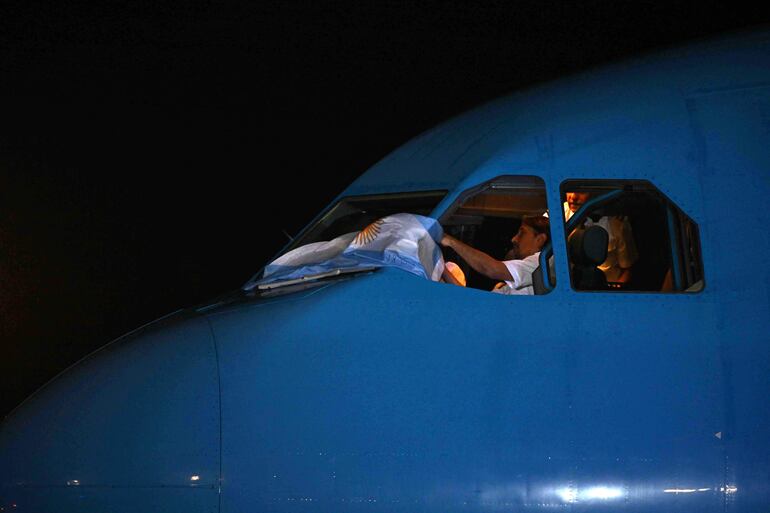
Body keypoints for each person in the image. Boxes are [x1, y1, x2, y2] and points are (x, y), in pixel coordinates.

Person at [440, 215, 550, 295]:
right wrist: (442, 268)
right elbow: (474, 301)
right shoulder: (511, 284)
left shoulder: (542, 263)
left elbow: (491, 269)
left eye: (522, 233)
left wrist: (451, 242)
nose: (514, 239)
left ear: (540, 239)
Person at [563, 191, 637, 285]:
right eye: (570, 190)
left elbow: (627, 269)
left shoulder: (617, 224)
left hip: (605, 287)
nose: (573, 197)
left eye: (581, 192)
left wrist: (614, 291)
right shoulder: (557, 213)